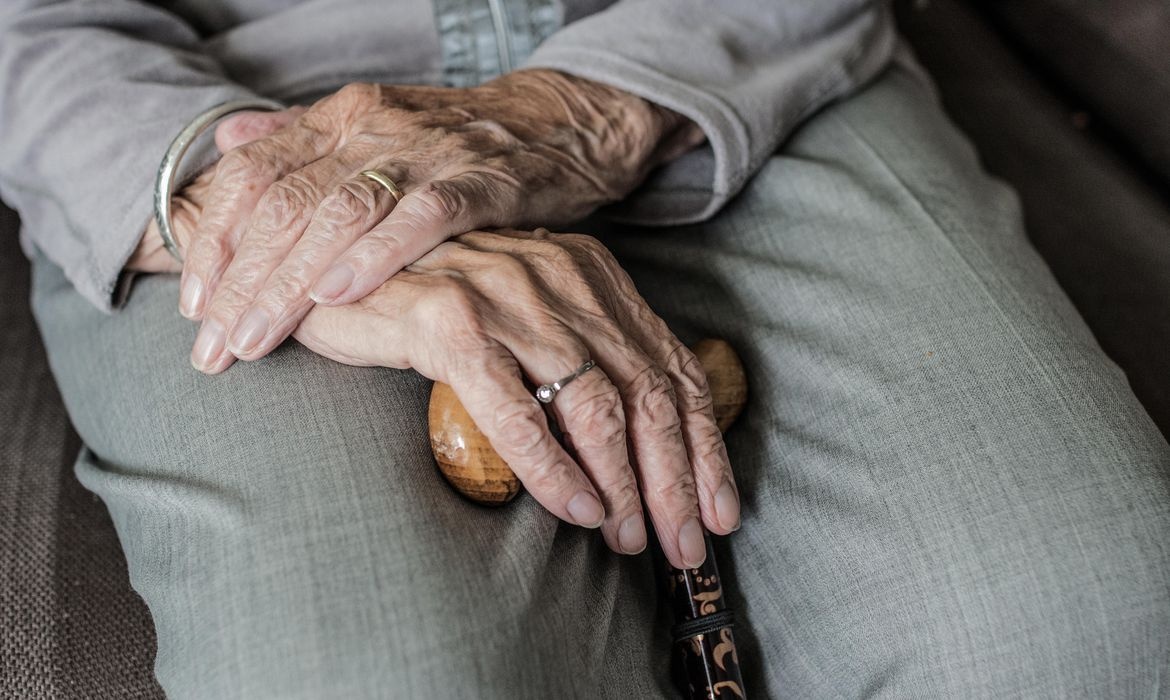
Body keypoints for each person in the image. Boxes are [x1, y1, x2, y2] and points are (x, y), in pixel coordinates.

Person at [2, 0, 1167, 697]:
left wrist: (575, 109)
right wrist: (254, 204)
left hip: (733, 52)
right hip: (218, 112)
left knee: (1081, 623)